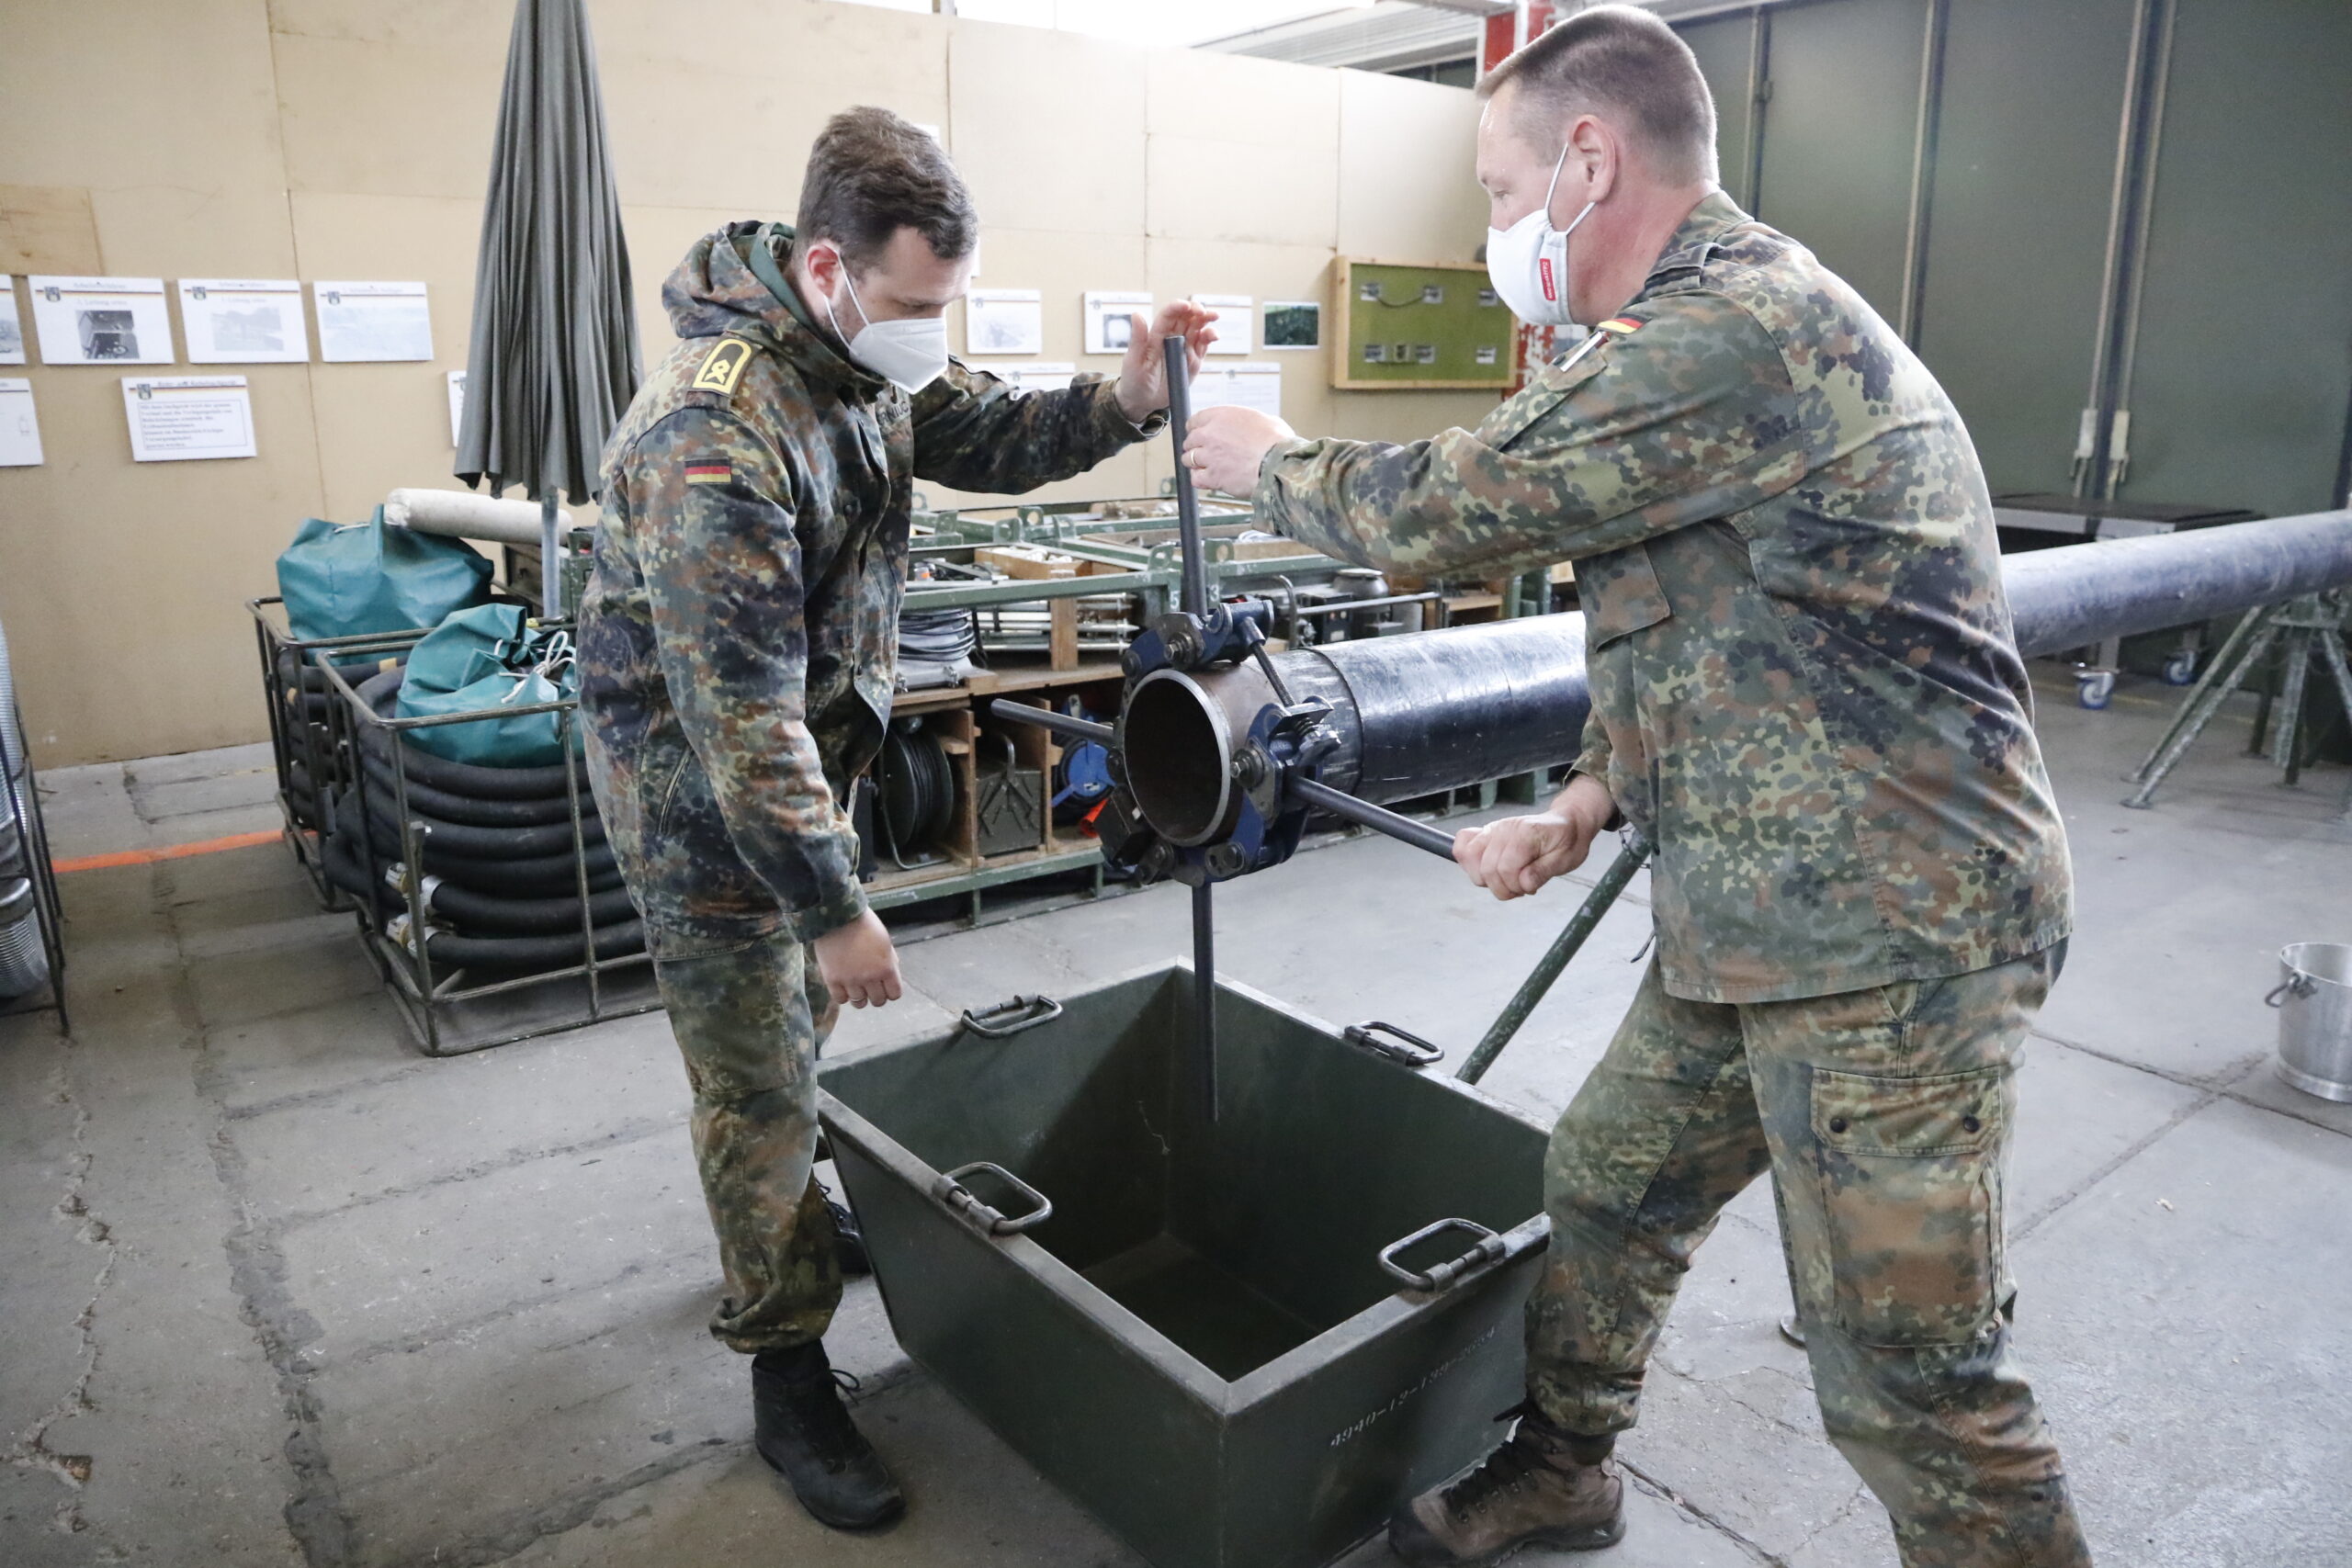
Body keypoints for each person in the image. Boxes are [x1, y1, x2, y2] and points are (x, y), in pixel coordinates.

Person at [1183, 9, 2086, 1567]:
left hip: (1896, 945)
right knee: (1604, 1187)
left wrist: (1269, 459)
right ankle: (1565, 1470)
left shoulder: (1735, 330)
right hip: (1749, 917)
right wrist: (1586, 802)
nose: (1492, 227)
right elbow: (1695, 630)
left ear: (1588, 161)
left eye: (1494, 185)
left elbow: (1448, 504)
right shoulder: (1678, 350)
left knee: (1904, 1377)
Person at [576, 106, 1214, 1533]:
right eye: (919, 304)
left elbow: (987, 428)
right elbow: (741, 722)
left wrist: (1122, 397)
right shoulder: (713, 434)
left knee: (796, 1048)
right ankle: (786, 1371)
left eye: (947, 304)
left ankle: (787, 1218)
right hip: (707, 810)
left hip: (805, 766)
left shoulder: (858, 361)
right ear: (826, 265)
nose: (935, 331)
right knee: (754, 1082)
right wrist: (837, 909)